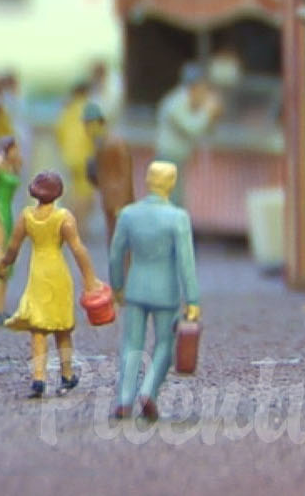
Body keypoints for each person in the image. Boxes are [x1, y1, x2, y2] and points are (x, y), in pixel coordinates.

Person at [0, 170, 106, 398]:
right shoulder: (63, 218)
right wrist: (90, 278)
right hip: (57, 273)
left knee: (38, 328)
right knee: (61, 327)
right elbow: (78, 250)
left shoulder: (27, 217)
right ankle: (66, 374)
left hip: (38, 273)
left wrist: (4, 264)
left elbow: (13, 248)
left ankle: (39, 377)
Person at [108, 160, 200, 421]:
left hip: (136, 288)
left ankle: (124, 399)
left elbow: (116, 254)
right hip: (165, 292)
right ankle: (148, 391)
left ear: (148, 181)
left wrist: (117, 286)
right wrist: (192, 299)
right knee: (164, 345)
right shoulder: (178, 218)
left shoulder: (128, 214)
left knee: (131, 345)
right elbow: (186, 262)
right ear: (171, 184)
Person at [154, 64, 222, 208]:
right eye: (203, 88)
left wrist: (212, 115)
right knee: (172, 202)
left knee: (177, 201)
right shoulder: (177, 102)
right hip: (169, 158)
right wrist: (207, 112)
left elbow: (205, 131)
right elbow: (192, 128)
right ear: (194, 87)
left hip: (178, 158)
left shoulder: (188, 102)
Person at [84, 102, 135, 248]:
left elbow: (125, 175)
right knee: (112, 238)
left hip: (117, 200)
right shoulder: (100, 145)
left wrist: (122, 202)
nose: (87, 130)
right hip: (108, 199)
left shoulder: (114, 143)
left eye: (90, 124)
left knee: (120, 240)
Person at [56, 82, 96, 234]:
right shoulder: (90, 109)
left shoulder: (67, 109)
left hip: (69, 156)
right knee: (85, 191)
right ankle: (80, 226)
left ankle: (69, 223)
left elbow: (58, 132)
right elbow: (97, 133)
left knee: (73, 190)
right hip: (85, 155)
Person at [0, 135, 20, 320]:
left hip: (8, 212)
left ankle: (0, 308)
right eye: (14, 149)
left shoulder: (12, 166)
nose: (16, 152)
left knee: (6, 263)